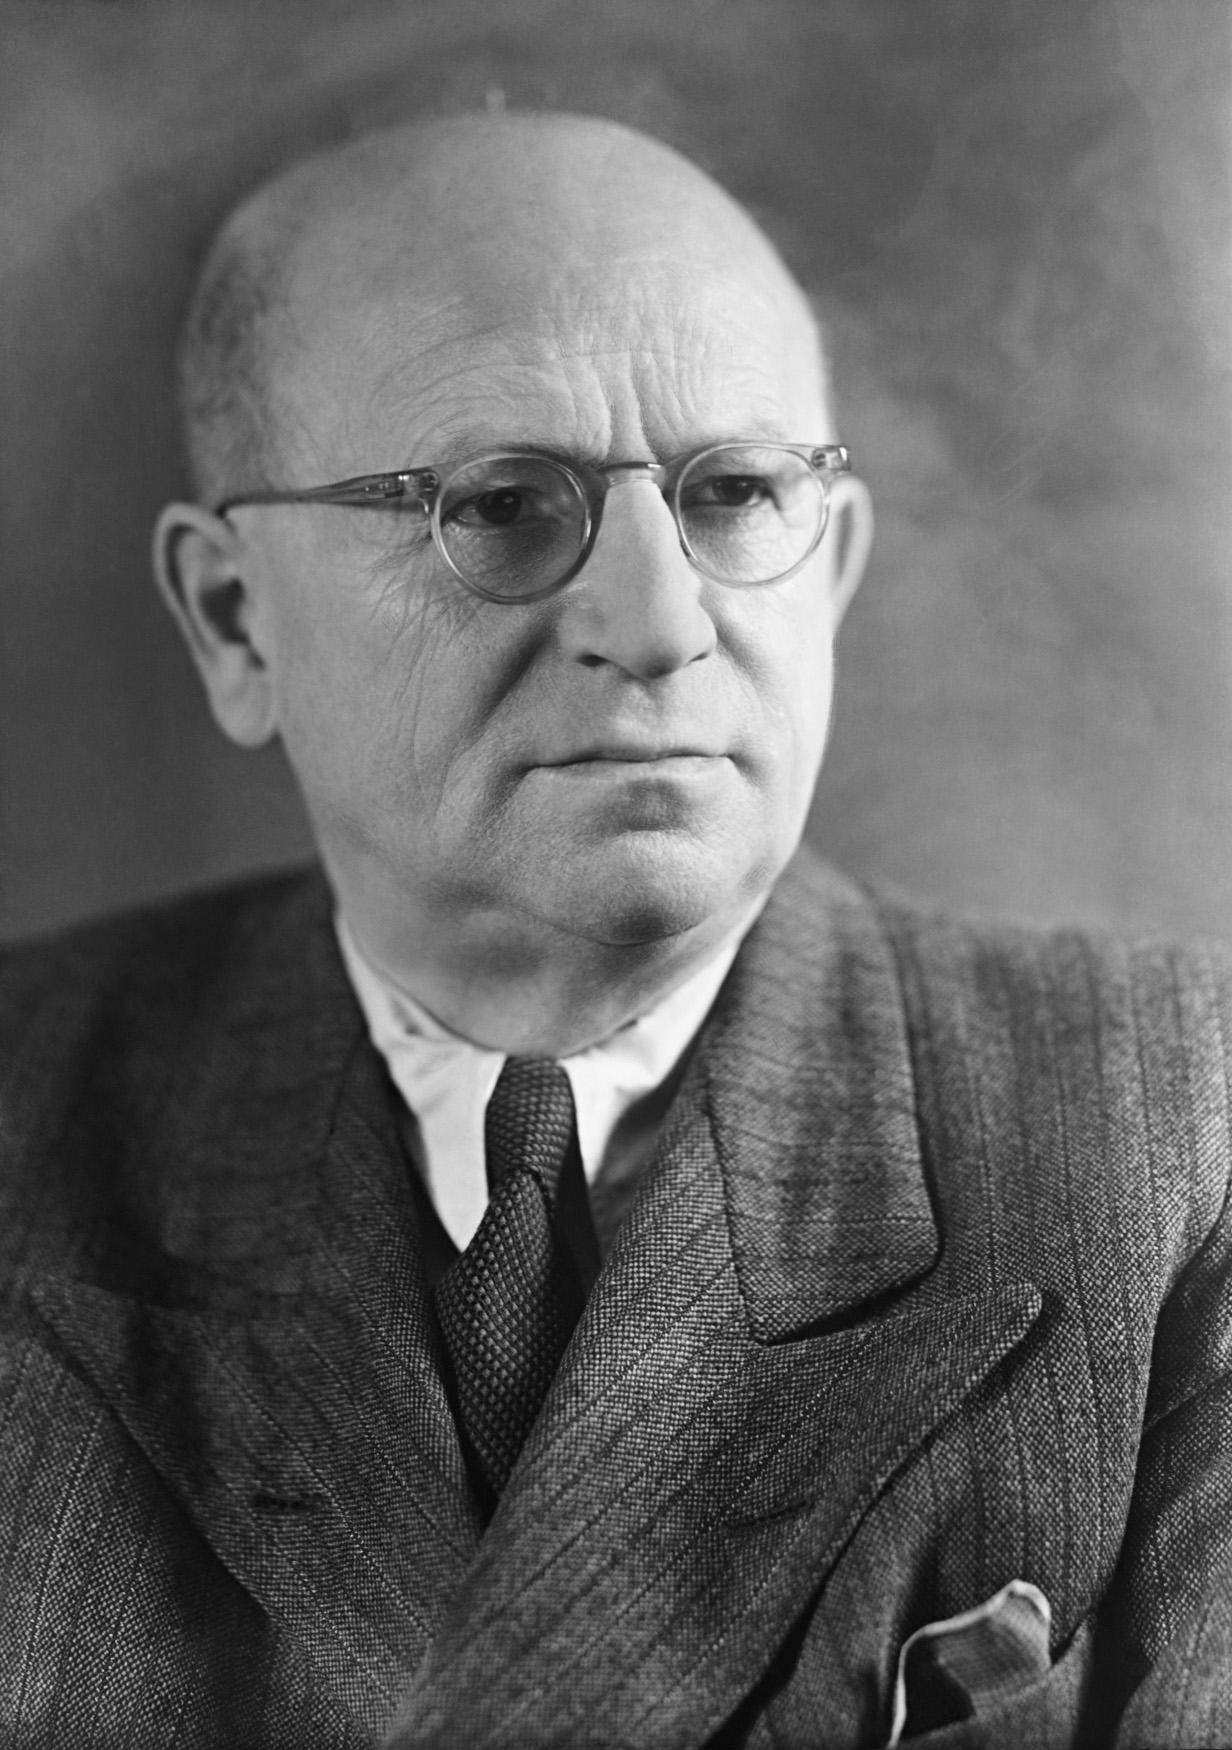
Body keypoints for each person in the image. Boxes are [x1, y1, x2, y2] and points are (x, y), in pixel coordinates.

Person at [1, 110, 1230, 1750]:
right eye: (504, 505)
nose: (658, 624)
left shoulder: (1187, 1133)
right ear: (236, 620)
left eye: (737, 493)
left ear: (830, 569)